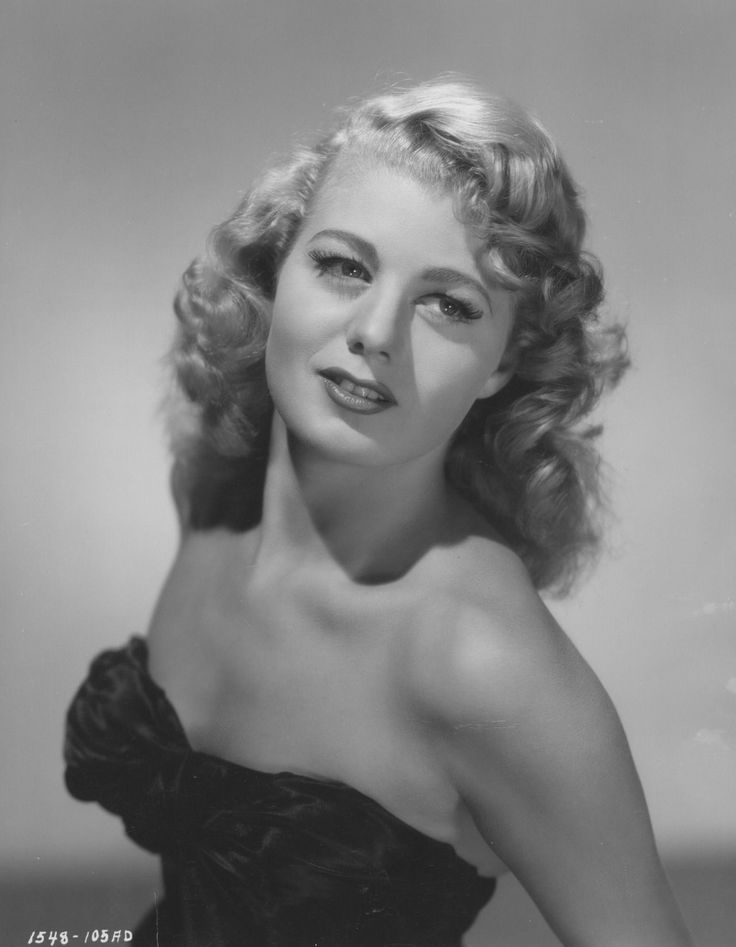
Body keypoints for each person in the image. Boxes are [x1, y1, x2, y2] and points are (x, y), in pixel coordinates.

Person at [64, 77, 692, 946]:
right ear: (275, 272)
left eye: (449, 303)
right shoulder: (211, 490)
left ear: (506, 364)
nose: (377, 331)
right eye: (344, 265)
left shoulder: (489, 666)